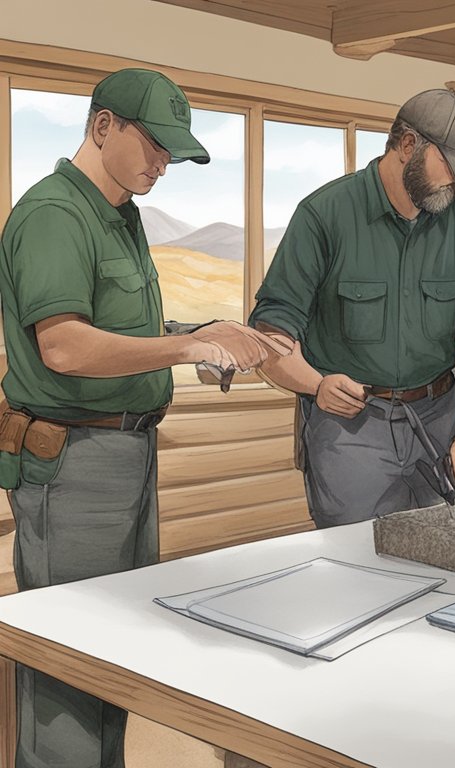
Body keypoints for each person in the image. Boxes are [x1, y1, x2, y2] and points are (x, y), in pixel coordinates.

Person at [0, 67, 288, 768]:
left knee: (115, 655)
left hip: (127, 456)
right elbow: (63, 346)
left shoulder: (120, 215)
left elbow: (128, 327)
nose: (162, 163)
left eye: (171, 152)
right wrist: (187, 343)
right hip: (73, 466)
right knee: (70, 659)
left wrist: (205, 333)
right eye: (154, 145)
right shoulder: (53, 215)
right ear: (102, 126)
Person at [250, 89, 455, 527]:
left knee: (448, 563)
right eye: (450, 168)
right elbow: (271, 333)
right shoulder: (323, 215)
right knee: (355, 570)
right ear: (407, 146)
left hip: (439, 426)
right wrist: (314, 385)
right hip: (349, 430)